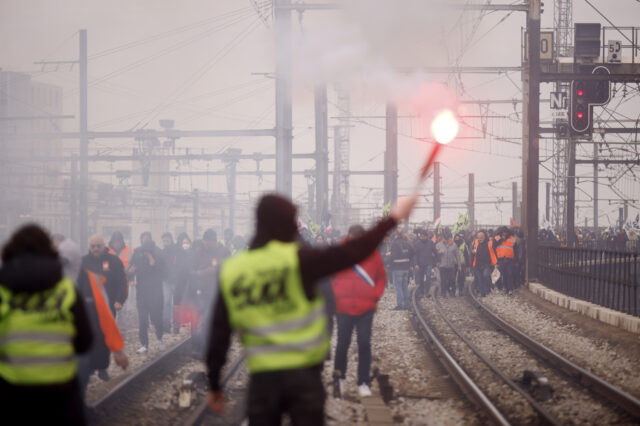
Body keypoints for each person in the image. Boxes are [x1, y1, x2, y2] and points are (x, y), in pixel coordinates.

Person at [205, 193, 417, 425]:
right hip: (304, 376)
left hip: (262, 379)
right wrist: (393, 218)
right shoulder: (300, 260)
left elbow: (219, 333)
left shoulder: (234, 270)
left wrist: (214, 383)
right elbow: (354, 251)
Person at [0, 224, 93, 425]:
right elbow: (84, 342)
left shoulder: (2, 291)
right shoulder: (66, 289)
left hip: (12, 392)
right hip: (60, 392)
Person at [332, 224, 386, 397]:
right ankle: (339, 378)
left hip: (366, 308)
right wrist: (336, 295)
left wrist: (375, 296)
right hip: (343, 308)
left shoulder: (373, 254)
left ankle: (363, 381)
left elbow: (381, 277)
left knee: (364, 344)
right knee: (342, 344)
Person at [79, 235, 127, 380]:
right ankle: (90, 367)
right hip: (87, 306)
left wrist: (119, 300)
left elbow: (122, 282)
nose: (95, 249)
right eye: (92, 246)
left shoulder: (113, 261)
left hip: (107, 305)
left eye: (98, 246)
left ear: (104, 246)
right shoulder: (83, 262)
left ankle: (102, 368)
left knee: (103, 336)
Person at [130, 232, 166, 354]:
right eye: (143, 240)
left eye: (147, 240)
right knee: (143, 319)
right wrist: (131, 272)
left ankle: (160, 339)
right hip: (142, 292)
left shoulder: (158, 252)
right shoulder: (137, 252)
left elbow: (163, 270)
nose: (145, 242)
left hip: (155, 292)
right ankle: (144, 344)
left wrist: (151, 258)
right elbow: (131, 267)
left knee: (156, 318)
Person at [389, 229, 414, 310]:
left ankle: (400, 305)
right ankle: (407, 305)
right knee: (405, 287)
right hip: (406, 268)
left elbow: (393, 256)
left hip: (397, 268)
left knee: (398, 287)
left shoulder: (394, 243)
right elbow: (412, 252)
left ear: (396, 235)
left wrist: (388, 258)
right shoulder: (407, 243)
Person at [161, 232, 181, 332]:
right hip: (166, 280)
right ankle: (166, 325)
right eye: (164, 241)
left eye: (167, 240)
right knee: (166, 302)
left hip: (176, 280)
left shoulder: (177, 250)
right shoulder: (163, 252)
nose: (165, 242)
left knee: (176, 303)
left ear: (171, 240)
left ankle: (176, 325)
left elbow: (181, 264)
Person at [412, 229, 438, 298]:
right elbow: (415, 255)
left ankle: (427, 291)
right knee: (420, 278)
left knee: (428, 277)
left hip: (428, 263)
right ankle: (421, 291)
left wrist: (437, 261)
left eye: (423, 236)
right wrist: (415, 264)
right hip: (420, 264)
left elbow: (435, 252)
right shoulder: (417, 244)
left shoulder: (430, 243)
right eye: (421, 236)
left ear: (426, 236)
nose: (422, 238)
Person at [436, 228, 461, 298]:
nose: (446, 240)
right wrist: (439, 253)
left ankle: (453, 292)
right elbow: (434, 255)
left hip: (451, 266)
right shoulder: (438, 245)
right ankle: (444, 294)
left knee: (452, 280)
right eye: (445, 238)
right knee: (443, 280)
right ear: (442, 238)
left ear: (450, 238)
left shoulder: (454, 245)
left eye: (448, 238)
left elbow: (457, 256)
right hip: (442, 266)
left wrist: (459, 265)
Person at [472, 231, 497, 297]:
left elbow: (494, 252)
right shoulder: (475, 243)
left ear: (484, 237)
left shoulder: (489, 243)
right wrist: (473, 253)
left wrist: (495, 263)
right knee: (480, 279)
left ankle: (487, 288)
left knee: (485, 276)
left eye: (481, 237)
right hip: (477, 264)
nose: (480, 238)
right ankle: (483, 293)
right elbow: (471, 251)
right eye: (479, 237)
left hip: (486, 264)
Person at [494, 227, 516, 295]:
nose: (504, 234)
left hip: (509, 259)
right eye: (503, 233)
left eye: (505, 232)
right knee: (499, 274)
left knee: (509, 274)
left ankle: (509, 289)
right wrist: (500, 239)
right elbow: (494, 245)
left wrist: (516, 260)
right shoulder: (497, 237)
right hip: (500, 259)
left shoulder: (512, 238)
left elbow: (515, 249)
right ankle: (499, 287)